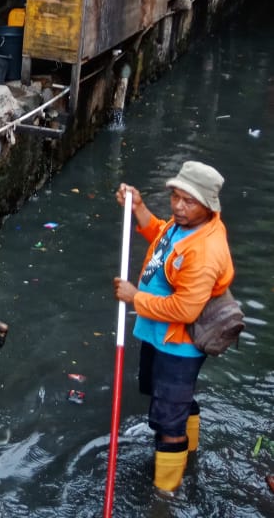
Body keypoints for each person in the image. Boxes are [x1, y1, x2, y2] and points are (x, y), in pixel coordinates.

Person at [113, 161, 234, 492]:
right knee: (174, 405)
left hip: (178, 345)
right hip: (158, 336)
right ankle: (190, 454)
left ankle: (165, 496)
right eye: (176, 197)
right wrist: (138, 208)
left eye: (188, 201)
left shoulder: (206, 250)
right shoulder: (184, 226)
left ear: (208, 205)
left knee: (168, 424)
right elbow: (161, 240)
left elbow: (185, 309)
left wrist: (135, 298)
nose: (179, 207)